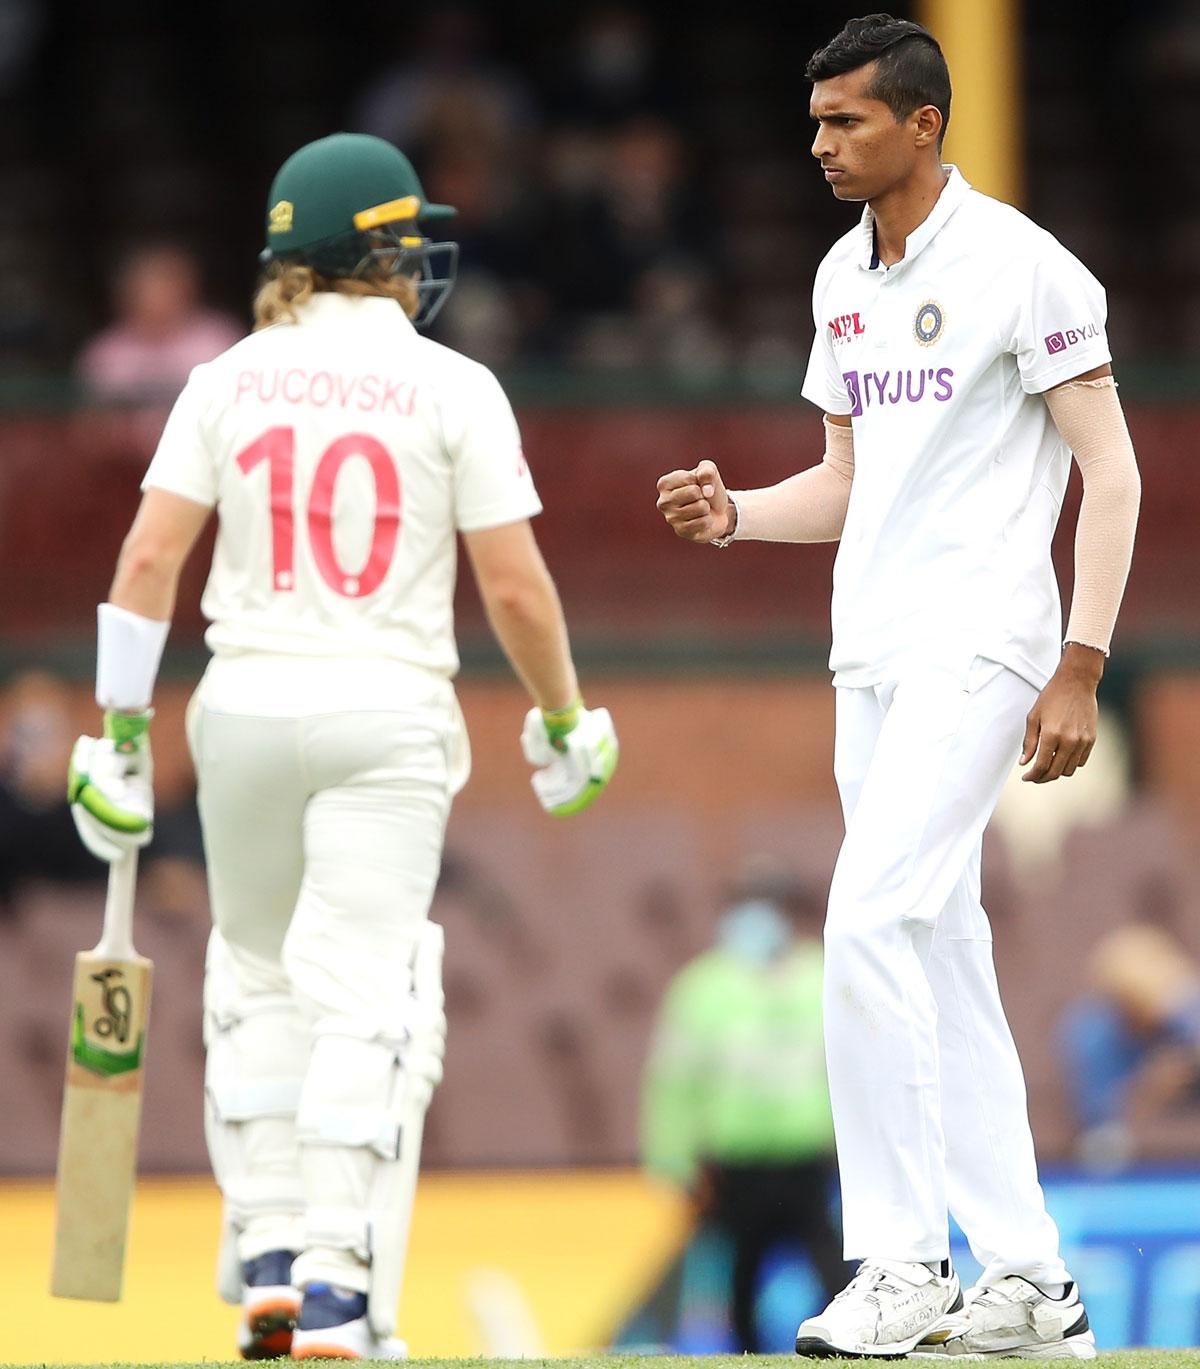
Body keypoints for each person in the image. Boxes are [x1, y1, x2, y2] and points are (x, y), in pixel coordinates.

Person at [65, 131, 618, 1362]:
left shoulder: (225, 376)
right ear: (370, 250)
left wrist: (115, 734)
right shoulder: (454, 384)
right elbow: (518, 591)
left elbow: (149, 561)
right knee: (366, 995)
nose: (423, 255)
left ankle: (264, 1256)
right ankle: (332, 1285)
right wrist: (567, 717)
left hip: (245, 713)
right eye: (408, 235)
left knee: (256, 977)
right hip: (386, 715)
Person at [655, 14, 1140, 1361]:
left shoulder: (1025, 267)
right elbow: (845, 484)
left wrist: (1080, 662)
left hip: (984, 643)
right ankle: (1033, 1281)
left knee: (864, 920)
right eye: (815, 124)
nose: (820, 145)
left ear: (925, 123)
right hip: (867, 653)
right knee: (938, 947)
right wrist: (735, 516)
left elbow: (1115, 473)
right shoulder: (838, 279)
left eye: (847, 121)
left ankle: (903, 1258)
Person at [641, 867, 844, 1352]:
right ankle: (746, 1357)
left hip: (809, 1158)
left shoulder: (825, 974)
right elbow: (673, 1081)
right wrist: (672, 1159)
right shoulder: (702, 987)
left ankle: (842, 1350)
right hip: (734, 1163)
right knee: (739, 1274)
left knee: (835, 1269)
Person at [76, 243, 243, 405]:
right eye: (145, 286)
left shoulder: (218, 341)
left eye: (167, 282)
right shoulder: (105, 354)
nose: (157, 297)